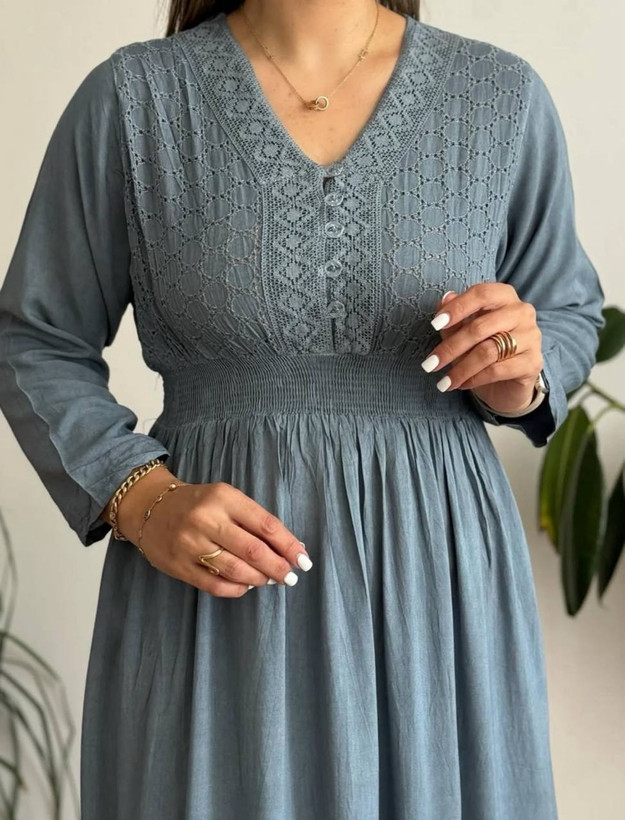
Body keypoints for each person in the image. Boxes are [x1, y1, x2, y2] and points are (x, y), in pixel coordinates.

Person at [0, 0, 605, 817]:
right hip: (215, 590)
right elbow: (35, 337)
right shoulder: (133, 101)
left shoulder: (498, 96)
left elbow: (565, 312)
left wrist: (519, 372)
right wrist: (141, 497)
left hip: (437, 585)